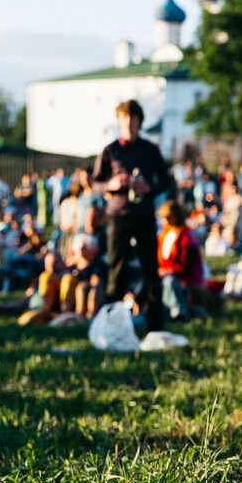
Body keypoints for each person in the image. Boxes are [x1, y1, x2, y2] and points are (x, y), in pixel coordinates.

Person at [90, 99, 173, 333]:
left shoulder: (149, 149)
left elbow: (165, 180)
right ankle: (113, 323)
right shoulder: (111, 150)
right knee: (116, 268)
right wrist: (111, 184)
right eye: (125, 117)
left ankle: (155, 324)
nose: (129, 122)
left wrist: (150, 188)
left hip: (144, 213)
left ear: (139, 121)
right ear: (119, 121)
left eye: (133, 117)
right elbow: (94, 183)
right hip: (118, 215)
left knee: (150, 268)